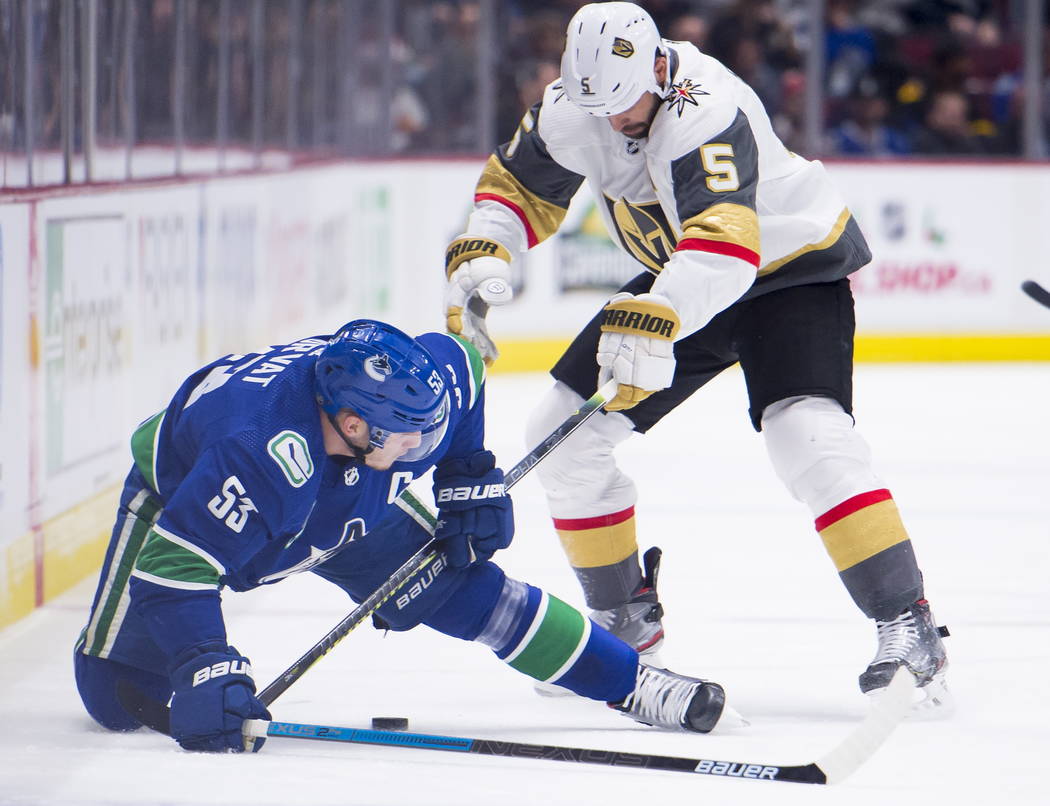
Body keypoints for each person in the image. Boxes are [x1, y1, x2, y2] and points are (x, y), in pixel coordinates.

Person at [442, 1, 949, 709]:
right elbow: (519, 187)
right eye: (599, 109)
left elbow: (725, 240)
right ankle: (625, 622)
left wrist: (661, 317)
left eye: (625, 105)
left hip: (785, 273)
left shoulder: (707, 103)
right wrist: (484, 246)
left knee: (808, 437)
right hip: (680, 276)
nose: (613, 122)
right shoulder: (577, 104)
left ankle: (908, 621)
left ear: (657, 65)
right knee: (561, 440)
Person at [74, 319, 729, 753]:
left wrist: (467, 474)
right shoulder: (262, 453)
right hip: (184, 499)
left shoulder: (406, 403)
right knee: (116, 697)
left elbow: (464, 369)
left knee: (469, 595)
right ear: (354, 425)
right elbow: (173, 568)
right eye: (408, 437)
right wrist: (204, 663)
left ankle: (632, 681)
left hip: (342, 496)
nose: (421, 446)